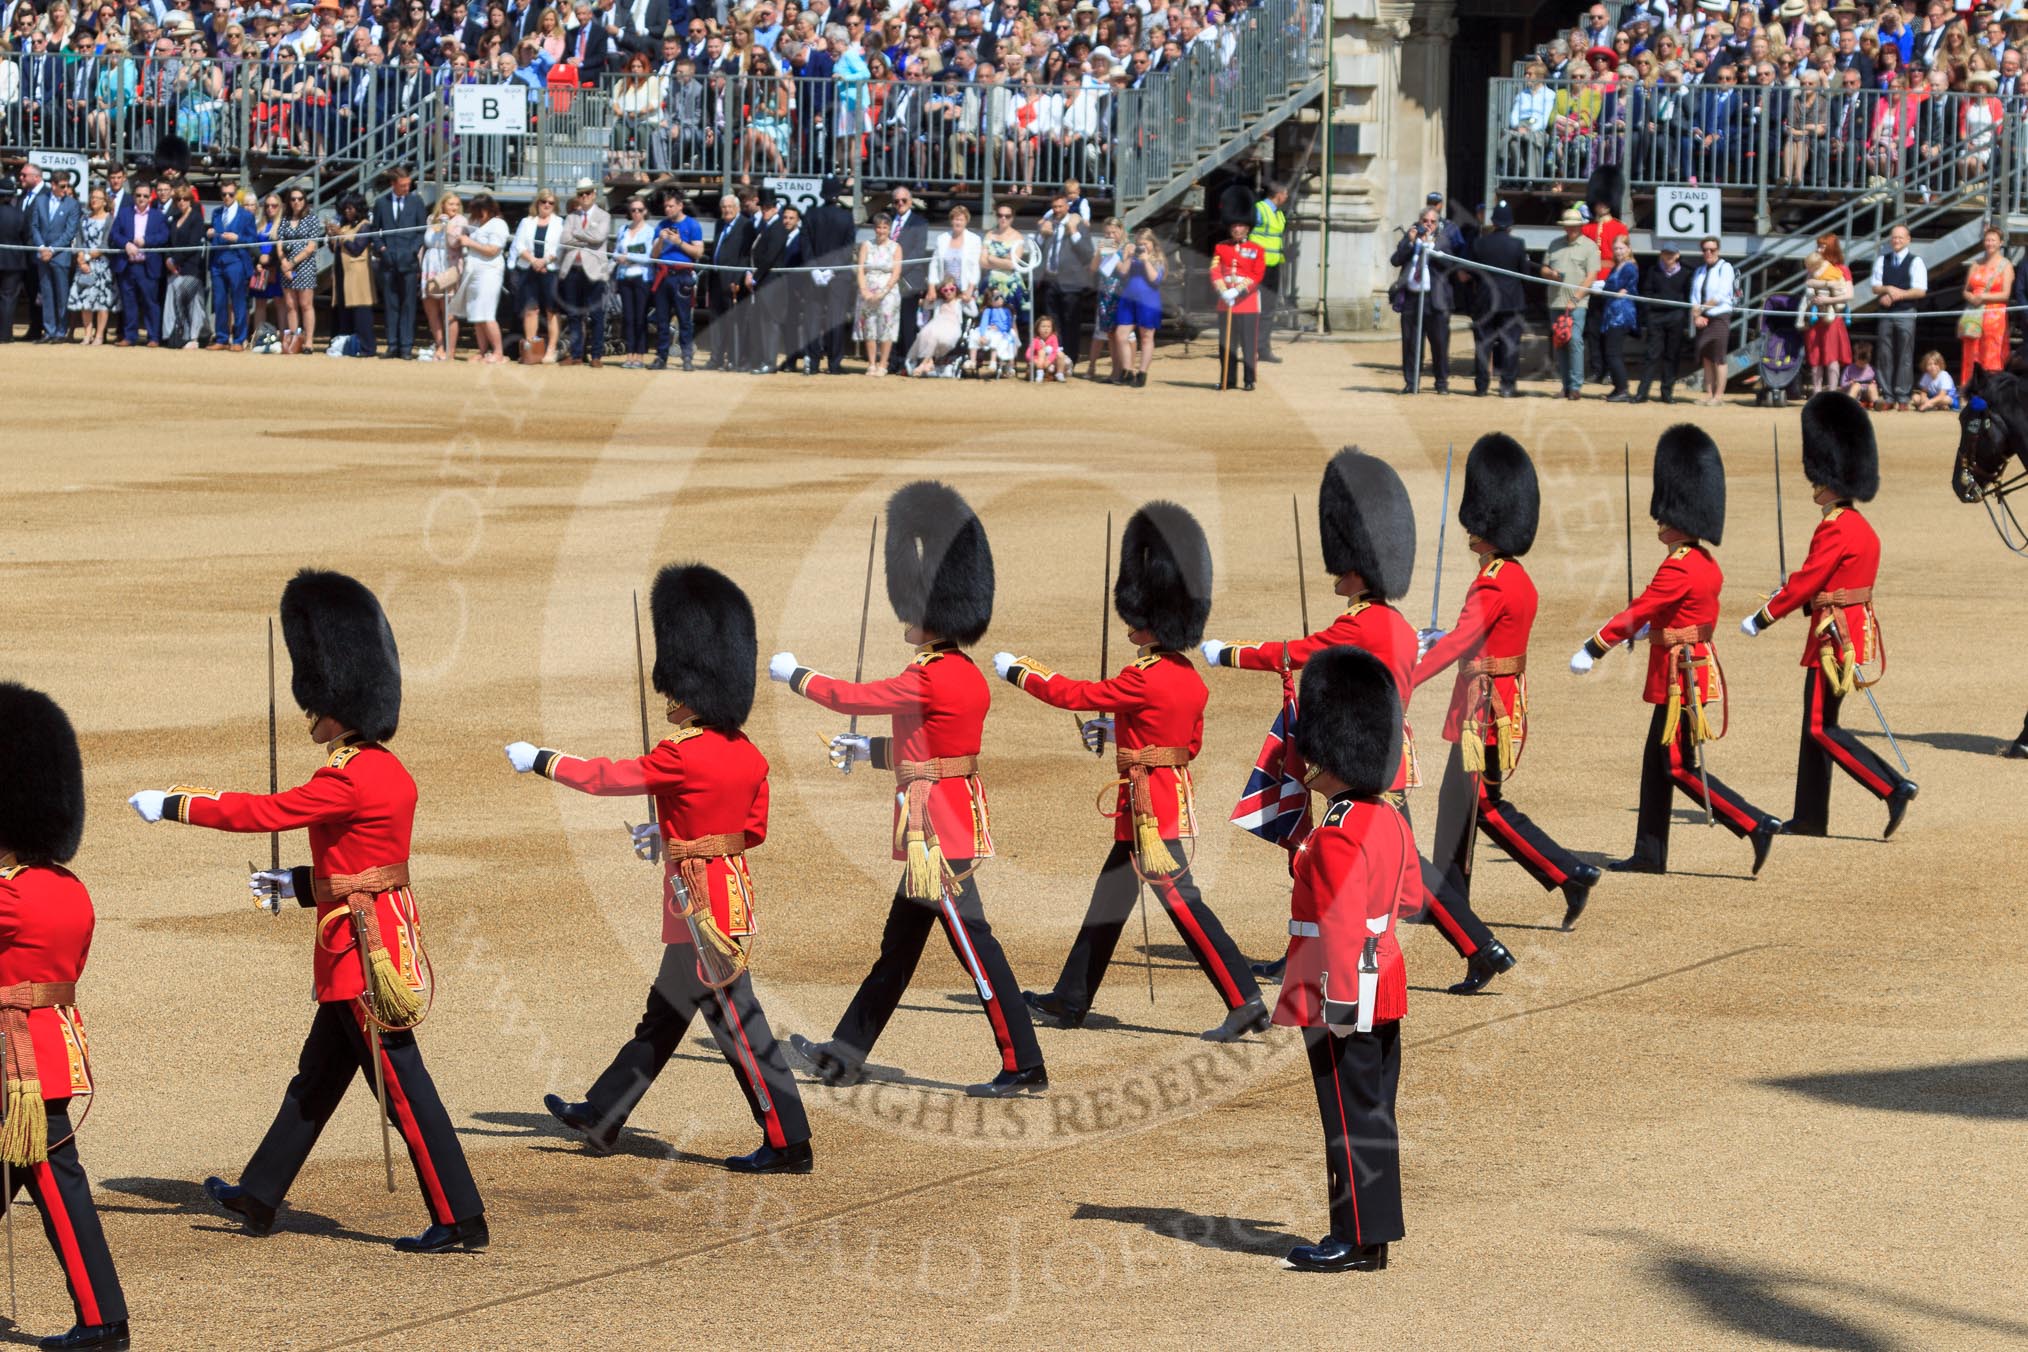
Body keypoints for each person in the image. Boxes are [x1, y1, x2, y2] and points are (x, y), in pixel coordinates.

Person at [126, 570, 488, 1254]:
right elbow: (364, 865)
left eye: (316, 705)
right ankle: (261, 1195)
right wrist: (296, 885)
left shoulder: (345, 777)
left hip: (361, 953)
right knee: (316, 1079)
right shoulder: (389, 770)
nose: (308, 716)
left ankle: (459, 1216)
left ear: (340, 707)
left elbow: (260, 812)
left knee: (404, 1092)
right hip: (371, 930)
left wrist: (177, 803)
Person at [510, 566, 813, 1172]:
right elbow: (749, 830)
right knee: (665, 1014)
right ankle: (603, 1114)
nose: (667, 698)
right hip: (724, 892)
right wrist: (676, 834)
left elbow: (604, 779)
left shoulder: (680, 754)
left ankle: (788, 1139)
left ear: (695, 689)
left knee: (737, 1026)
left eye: (676, 688)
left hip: (698, 907)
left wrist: (544, 759)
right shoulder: (748, 754)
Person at [773, 481, 1048, 1100]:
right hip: (941, 816)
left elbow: (855, 698)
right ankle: (845, 1054)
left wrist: (797, 675)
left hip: (938, 833)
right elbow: (936, 750)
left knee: (977, 952)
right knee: (896, 952)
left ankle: (1023, 1062)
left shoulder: (928, 676)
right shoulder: (961, 673)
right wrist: (871, 752)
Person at [996, 503, 1270, 1039]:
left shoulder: (1142, 676)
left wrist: (1021, 673)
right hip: (1160, 793)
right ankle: (1070, 998)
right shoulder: (1187, 676)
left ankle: (1245, 999)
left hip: (1148, 807)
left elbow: (1074, 694)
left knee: (1181, 903)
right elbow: (1184, 742)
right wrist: (1122, 736)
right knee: (1110, 898)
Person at [1200, 450, 1434, 989]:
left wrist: (1227, 652)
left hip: (1361, 752)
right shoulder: (1396, 623)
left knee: (1359, 859)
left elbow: (1297, 651)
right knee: (1380, 858)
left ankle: (1474, 943)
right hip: (1385, 744)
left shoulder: (1360, 624)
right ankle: (1302, 950)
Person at [1411, 436, 1602, 979]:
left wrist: (1409, 677)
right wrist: (1444, 634)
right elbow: (1480, 638)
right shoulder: (1514, 578)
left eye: (1476, 520)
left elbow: (1459, 647)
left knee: (1481, 808)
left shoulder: (1491, 583)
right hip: (1499, 704)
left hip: (1481, 711)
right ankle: (1454, 897)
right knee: (1461, 806)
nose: (1468, 527)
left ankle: (1566, 873)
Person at [1570, 425, 1783, 877]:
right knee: (1656, 764)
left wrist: (1596, 645)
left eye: (1666, 516)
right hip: (1688, 669)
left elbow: (1642, 607)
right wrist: (1649, 626)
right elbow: (1674, 614)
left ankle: (1752, 822)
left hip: (1678, 677)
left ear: (1682, 520)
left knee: (1677, 766)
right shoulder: (1703, 562)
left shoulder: (1678, 567)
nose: (1660, 522)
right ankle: (1650, 852)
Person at [0, 685, 132, 1352]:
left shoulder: (14, 898)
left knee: (60, 1191)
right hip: (44, 1056)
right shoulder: (66, 890)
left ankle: (103, 1321)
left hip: (17, 1068)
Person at [1272, 645, 1411, 1275]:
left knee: (1347, 1118)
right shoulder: (1384, 820)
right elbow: (1403, 898)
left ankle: (1352, 1240)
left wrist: (1340, 1002)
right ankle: (1370, 1234)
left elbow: (1337, 924)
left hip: (1338, 987)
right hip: (1385, 977)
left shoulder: (1335, 833)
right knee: (1372, 1111)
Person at [1741, 393, 1918, 837]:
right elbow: (1828, 583)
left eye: (1819, 480)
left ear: (1833, 481)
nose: (1813, 486)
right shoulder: (1860, 526)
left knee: (1821, 726)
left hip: (1832, 636)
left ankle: (1891, 786)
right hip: (1846, 630)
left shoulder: (1835, 526)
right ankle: (1810, 817)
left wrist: (1765, 615)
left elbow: (1809, 581)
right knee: (1816, 723)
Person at [1390, 205, 1453, 395]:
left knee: (1439, 343)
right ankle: (1411, 381)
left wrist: (1430, 247)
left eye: (1433, 222)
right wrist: (1411, 243)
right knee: (1410, 343)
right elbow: (1395, 260)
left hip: (1435, 300)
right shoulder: (1409, 239)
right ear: (1419, 222)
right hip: (1411, 299)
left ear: (1438, 224)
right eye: (1425, 221)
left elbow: (1449, 263)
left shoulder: (1442, 241)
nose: (1429, 225)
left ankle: (1441, 383)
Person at [799, 177, 857, 375]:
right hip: (838, 276)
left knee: (813, 318)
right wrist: (832, 270)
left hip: (815, 274)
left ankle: (813, 362)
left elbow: (805, 244)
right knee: (835, 317)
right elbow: (847, 249)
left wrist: (815, 269)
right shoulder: (846, 217)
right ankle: (834, 363)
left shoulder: (811, 214)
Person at [369, 165, 427, 359]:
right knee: (391, 304)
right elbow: (374, 230)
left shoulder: (416, 201)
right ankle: (392, 344)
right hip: (388, 261)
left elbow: (421, 230)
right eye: (403, 185)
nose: (406, 188)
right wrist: (382, 249)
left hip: (408, 261)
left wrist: (413, 250)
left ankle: (406, 347)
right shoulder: (381, 203)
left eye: (408, 185)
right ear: (393, 184)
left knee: (408, 305)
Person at [1468, 203, 1526, 398]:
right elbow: (1524, 273)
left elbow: (1473, 273)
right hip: (1510, 300)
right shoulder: (1517, 244)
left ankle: (1482, 386)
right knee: (1509, 343)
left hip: (1485, 299)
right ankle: (1507, 386)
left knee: (1483, 344)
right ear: (1510, 224)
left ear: (1493, 222)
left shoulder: (1480, 243)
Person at [1541, 206, 1597, 401]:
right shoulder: (1554, 244)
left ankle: (1575, 386)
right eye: (1568, 226)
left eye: (1574, 226)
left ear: (1580, 226)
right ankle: (1566, 385)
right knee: (1560, 343)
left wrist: (1576, 298)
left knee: (1575, 341)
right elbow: (1544, 269)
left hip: (1577, 303)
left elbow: (1591, 277)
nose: (1571, 229)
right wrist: (1551, 274)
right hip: (1555, 301)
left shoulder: (1589, 246)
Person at [1868, 224, 1925, 410]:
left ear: (1908, 239)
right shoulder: (1882, 260)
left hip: (1906, 312)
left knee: (1905, 355)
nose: (1897, 241)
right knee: (1884, 355)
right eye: (1894, 237)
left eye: (1900, 237)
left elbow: (1920, 290)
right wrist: (1887, 290)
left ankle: (1903, 395)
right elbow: (1875, 286)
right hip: (1885, 313)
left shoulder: (1915, 261)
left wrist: (1898, 294)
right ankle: (1888, 395)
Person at [1033, 192, 1092, 371]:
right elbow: (1035, 247)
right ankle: (1053, 358)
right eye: (1055, 207)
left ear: (1067, 206)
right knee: (1052, 323)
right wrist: (1042, 235)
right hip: (1050, 280)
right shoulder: (1048, 223)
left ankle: (1070, 359)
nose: (1057, 210)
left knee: (1071, 322)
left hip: (1071, 282)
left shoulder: (1077, 224)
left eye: (1060, 206)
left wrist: (1073, 233)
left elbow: (1087, 252)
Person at [557, 177, 612, 366]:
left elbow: (598, 237)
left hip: (595, 271)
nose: (585, 196)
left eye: (588, 193)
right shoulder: (571, 217)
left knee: (596, 314)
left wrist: (577, 234)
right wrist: (586, 238)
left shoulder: (604, 216)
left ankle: (596, 355)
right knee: (573, 314)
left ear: (594, 194)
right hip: (573, 270)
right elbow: (564, 239)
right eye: (581, 194)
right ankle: (576, 354)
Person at [107, 180, 168, 346]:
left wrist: (145, 241)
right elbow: (114, 234)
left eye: (145, 196)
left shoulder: (158, 216)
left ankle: (153, 337)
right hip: (128, 265)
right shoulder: (124, 213)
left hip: (148, 266)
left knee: (151, 303)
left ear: (150, 197)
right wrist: (126, 244)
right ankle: (129, 336)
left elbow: (163, 236)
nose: (141, 198)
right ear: (134, 196)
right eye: (138, 195)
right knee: (129, 303)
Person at [648, 187, 702, 372]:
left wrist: (679, 242)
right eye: (666, 206)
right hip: (663, 275)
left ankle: (687, 356)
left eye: (671, 206)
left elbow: (698, 252)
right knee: (662, 319)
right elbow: (653, 255)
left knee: (684, 319)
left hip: (682, 276)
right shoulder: (661, 225)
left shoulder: (692, 225)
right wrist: (661, 240)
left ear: (680, 205)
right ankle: (661, 356)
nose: (667, 210)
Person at [1211, 212, 1264, 391]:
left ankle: (1249, 379)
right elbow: (1215, 270)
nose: (1236, 229)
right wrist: (1224, 291)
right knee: (1226, 345)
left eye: (1240, 226)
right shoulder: (1221, 247)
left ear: (1247, 228)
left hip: (1247, 303)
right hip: (1225, 302)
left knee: (1249, 344)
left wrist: (1238, 290)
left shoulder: (1257, 249)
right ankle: (1228, 379)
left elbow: (1256, 275)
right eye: (1234, 226)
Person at [512, 186, 564, 363]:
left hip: (550, 270)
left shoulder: (559, 223)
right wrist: (534, 260)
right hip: (529, 269)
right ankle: (531, 348)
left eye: (551, 202)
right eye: (544, 201)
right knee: (531, 310)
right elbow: (519, 245)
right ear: (538, 203)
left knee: (551, 310)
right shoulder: (527, 222)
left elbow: (560, 247)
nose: (547, 205)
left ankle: (551, 349)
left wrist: (545, 261)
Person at [1634, 243, 1691, 403]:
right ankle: (1642, 393)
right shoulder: (1653, 271)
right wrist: (1650, 314)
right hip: (1656, 318)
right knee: (1651, 355)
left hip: (1676, 317)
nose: (1668, 257)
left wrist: (1682, 316)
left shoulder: (1686, 273)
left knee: (1672, 355)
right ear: (1661, 255)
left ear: (1677, 255)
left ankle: (1667, 393)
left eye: (1671, 254)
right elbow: (1646, 292)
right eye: (1666, 253)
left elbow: (1688, 297)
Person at [30, 172, 81, 345]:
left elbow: (70, 232)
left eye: (67, 186)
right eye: (63, 186)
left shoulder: (73, 204)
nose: (66, 189)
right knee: (47, 293)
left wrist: (51, 249)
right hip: (43, 254)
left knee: (61, 294)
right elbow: (34, 226)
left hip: (60, 255)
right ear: (53, 184)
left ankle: (61, 330)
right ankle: (49, 330)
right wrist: (42, 247)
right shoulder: (40, 200)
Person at [459, 193, 509, 364]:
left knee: (487, 313)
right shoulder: (475, 223)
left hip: (490, 272)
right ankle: (482, 351)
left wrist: (469, 242)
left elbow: (493, 250)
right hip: (473, 271)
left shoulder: (499, 224)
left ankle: (498, 352)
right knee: (476, 313)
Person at [703, 192, 751, 371]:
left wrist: (737, 279)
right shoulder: (719, 224)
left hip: (733, 281)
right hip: (716, 279)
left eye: (730, 207)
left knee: (733, 322)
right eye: (724, 207)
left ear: (737, 208)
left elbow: (744, 255)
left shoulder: (745, 225)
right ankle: (715, 358)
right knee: (716, 322)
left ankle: (734, 359)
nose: (726, 210)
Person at [1960, 225, 2012, 388]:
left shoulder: (2006, 266)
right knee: (1971, 353)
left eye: (1993, 240)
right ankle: (1969, 389)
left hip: (1994, 316)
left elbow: (2006, 294)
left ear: (2000, 243)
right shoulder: (1976, 264)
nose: (1989, 243)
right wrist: (1971, 297)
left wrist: (1983, 297)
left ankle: (1991, 391)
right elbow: (1966, 290)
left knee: (1991, 354)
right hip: (1974, 314)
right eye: (1987, 240)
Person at [886, 185, 930, 373]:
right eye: (896, 201)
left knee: (907, 323)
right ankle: (892, 361)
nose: (900, 204)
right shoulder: (887, 221)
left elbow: (917, 252)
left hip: (908, 279)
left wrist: (896, 270)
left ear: (910, 202)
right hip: (888, 279)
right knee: (889, 321)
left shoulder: (919, 222)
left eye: (904, 200)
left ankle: (908, 361)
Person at [1802, 235, 1854, 394]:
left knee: (1832, 358)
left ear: (1832, 248)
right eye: (1818, 246)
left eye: (1823, 246)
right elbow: (1808, 291)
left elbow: (1849, 295)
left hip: (1833, 319)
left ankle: (1832, 393)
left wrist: (1828, 299)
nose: (1819, 249)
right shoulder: (1813, 268)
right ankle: (1816, 393)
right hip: (1815, 318)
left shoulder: (1842, 269)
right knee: (1815, 358)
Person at [207, 185, 256, 351]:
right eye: (224, 194)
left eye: (230, 194)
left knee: (238, 301)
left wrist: (238, 238)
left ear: (236, 195)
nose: (227, 197)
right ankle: (221, 338)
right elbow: (213, 239)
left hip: (236, 260)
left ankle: (238, 339)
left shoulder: (246, 215)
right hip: (217, 261)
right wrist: (209, 235)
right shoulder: (216, 213)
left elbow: (253, 240)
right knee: (219, 301)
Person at [854, 210, 901, 377]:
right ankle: (872, 363)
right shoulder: (866, 245)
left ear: (889, 229)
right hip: (868, 290)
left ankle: (883, 363)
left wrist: (883, 291)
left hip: (887, 292)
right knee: (869, 327)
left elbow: (896, 273)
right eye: (878, 227)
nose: (881, 231)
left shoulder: (895, 247)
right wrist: (864, 290)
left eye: (884, 227)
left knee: (886, 326)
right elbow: (860, 269)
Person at [1688, 236, 1734, 407]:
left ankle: (1718, 395)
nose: (1708, 252)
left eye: (1712, 249)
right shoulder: (1699, 270)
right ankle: (1708, 393)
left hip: (1719, 315)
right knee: (1706, 356)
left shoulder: (1726, 267)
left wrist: (1701, 309)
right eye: (1705, 250)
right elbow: (1694, 295)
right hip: (1703, 316)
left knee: (1719, 356)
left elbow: (1722, 294)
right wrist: (1696, 315)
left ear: (1718, 250)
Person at [67, 185, 116, 346]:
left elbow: (105, 244)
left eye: (97, 198)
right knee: (85, 301)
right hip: (84, 266)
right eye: (92, 197)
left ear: (104, 201)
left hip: (101, 265)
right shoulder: (84, 218)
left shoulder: (109, 219)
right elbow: (79, 240)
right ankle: (87, 334)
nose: (94, 200)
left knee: (102, 302)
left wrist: (87, 256)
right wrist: (81, 259)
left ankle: (99, 335)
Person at [1114, 226, 1163, 387]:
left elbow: (1155, 279)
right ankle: (1127, 370)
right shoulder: (1133, 256)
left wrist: (1146, 259)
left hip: (1148, 300)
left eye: (1145, 243)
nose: (1142, 247)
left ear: (1152, 244)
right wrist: (1128, 256)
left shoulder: (1158, 259)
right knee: (1121, 335)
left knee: (1146, 336)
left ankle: (1142, 373)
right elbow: (1122, 273)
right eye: (1139, 243)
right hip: (1129, 298)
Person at [276, 186, 322, 354]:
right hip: (286, 266)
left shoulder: (311, 219)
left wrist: (291, 263)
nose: (296, 202)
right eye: (293, 199)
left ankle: (308, 342)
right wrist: (283, 263)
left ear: (304, 200)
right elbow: (279, 244)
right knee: (290, 305)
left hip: (305, 266)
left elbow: (311, 247)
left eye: (300, 198)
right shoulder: (284, 219)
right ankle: (295, 340)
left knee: (306, 304)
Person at [611, 193, 654, 369]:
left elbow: (649, 256)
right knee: (628, 317)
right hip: (624, 277)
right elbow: (615, 252)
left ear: (645, 211)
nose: (636, 213)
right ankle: (629, 354)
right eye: (633, 210)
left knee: (640, 317)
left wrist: (629, 256)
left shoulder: (650, 231)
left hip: (641, 278)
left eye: (639, 210)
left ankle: (640, 355)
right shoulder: (623, 230)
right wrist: (620, 257)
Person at [1594, 235, 1640, 402]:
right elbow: (1610, 287)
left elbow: (1619, 287)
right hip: (1611, 312)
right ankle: (1618, 387)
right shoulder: (1616, 266)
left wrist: (1610, 288)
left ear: (1628, 249)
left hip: (1621, 315)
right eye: (1616, 249)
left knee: (1613, 353)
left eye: (1621, 248)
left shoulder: (1629, 267)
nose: (1618, 252)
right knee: (1610, 352)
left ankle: (1623, 389)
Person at [420, 190, 465, 360]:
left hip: (448, 266)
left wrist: (447, 227)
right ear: (443, 204)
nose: (454, 207)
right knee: (431, 308)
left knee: (447, 310)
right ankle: (439, 346)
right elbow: (426, 242)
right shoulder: (431, 219)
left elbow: (454, 243)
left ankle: (450, 351)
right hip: (430, 264)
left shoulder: (461, 220)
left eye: (456, 204)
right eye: (451, 204)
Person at [1252, 179, 1287, 362]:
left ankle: (1263, 349)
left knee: (1268, 310)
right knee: (1250, 309)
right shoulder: (1259, 209)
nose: (1287, 197)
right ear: (1278, 195)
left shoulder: (1279, 214)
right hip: (1255, 266)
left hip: (1272, 266)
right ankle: (1250, 348)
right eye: (1285, 193)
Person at [906, 278, 964, 375]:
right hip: (937, 324)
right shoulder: (939, 302)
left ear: (956, 289)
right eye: (945, 290)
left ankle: (923, 364)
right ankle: (929, 362)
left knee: (935, 335)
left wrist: (968, 299)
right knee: (925, 334)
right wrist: (930, 296)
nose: (949, 292)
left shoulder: (959, 302)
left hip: (952, 327)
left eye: (951, 289)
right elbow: (926, 306)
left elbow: (974, 312)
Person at [968, 284, 1018, 376]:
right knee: (973, 335)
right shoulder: (988, 311)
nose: (999, 299)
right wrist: (982, 335)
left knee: (997, 337)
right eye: (996, 297)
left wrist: (1000, 328)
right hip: (989, 331)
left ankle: (993, 362)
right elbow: (984, 322)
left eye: (1000, 296)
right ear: (990, 301)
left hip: (1002, 332)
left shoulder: (1007, 310)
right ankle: (972, 360)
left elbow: (1008, 324)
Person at [1026, 312, 1068, 381]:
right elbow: (1028, 353)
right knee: (1041, 352)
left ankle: (1059, 373)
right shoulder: (1035, 340)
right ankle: (1040, 373)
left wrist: (1048, 361)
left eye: (1048, 327)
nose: (1046, 329)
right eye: (1043, 326)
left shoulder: (1053, 338)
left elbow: (1054, 351)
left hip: (1051, 360)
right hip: (1039, 361)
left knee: (1060, 354)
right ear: (1038, 328)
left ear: (1052, 328)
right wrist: (1035, 361)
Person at [1841, 341, 1880, 406]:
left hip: (1867, 393)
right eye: (1859, 362)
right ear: (1855, 358)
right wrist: (1850, 383)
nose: (1861, 365)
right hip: (1854, 393)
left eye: (1864, 363)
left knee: (1872, 386)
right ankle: (1849, 403)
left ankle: (1876, 402)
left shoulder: (1872, 370)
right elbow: (1842, 385)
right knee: (1856, 386)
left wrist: (1874, 383)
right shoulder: (1849, 369)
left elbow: (1878, 383)